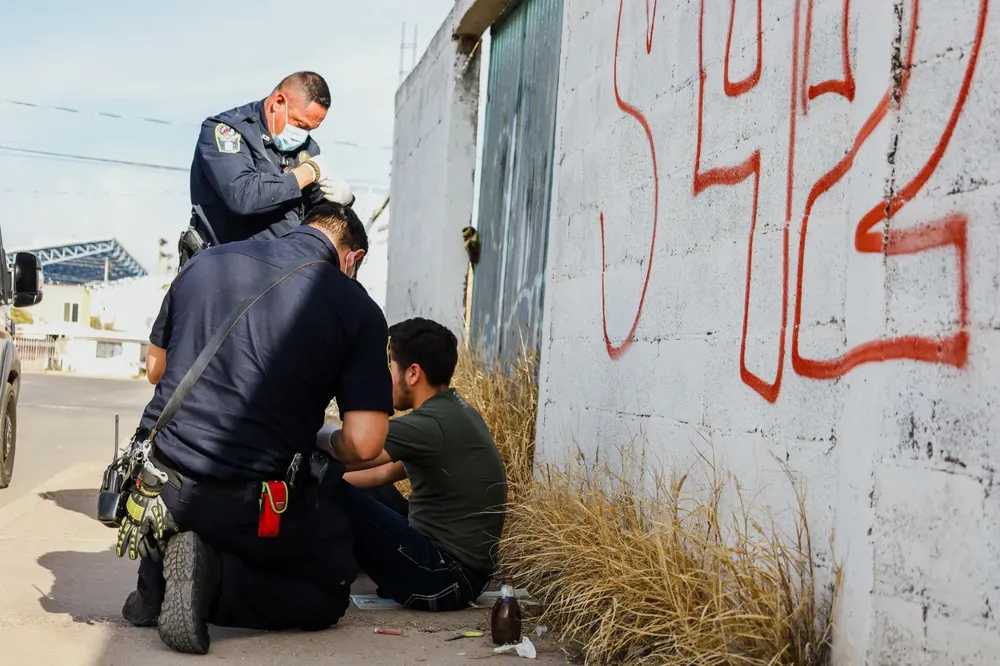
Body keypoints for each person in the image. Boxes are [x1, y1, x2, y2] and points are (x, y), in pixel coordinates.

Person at [118, 202, 392, 655]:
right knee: (329, 585)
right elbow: (365, 443)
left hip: (159, 484)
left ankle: (156, 580)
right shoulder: (356, 307)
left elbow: (155, 369)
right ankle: (211, 582)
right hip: (249, 501)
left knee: (183, 486)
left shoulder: (205, 262)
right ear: (353, 258)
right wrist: (325, 438)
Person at [325, 317, 508, 612]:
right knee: (335, 485)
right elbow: (383, 472)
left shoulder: (430, 424)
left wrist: (308, 446)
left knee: (326, 486)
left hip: (444, 578)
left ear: (412, 373)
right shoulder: (452, 410)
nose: (382, 379)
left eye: (388, 368)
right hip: (460, 574)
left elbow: (352, 451)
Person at [185, 71, 354, 254]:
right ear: (279, 102)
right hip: (224, 262)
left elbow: (314, 211)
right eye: (300, 124)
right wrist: (306, 173)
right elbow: (243, 196)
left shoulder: (307, 149)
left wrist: (342, 201)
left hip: (283, 263)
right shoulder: (227, 131)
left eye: (310, 129)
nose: (303, 134)